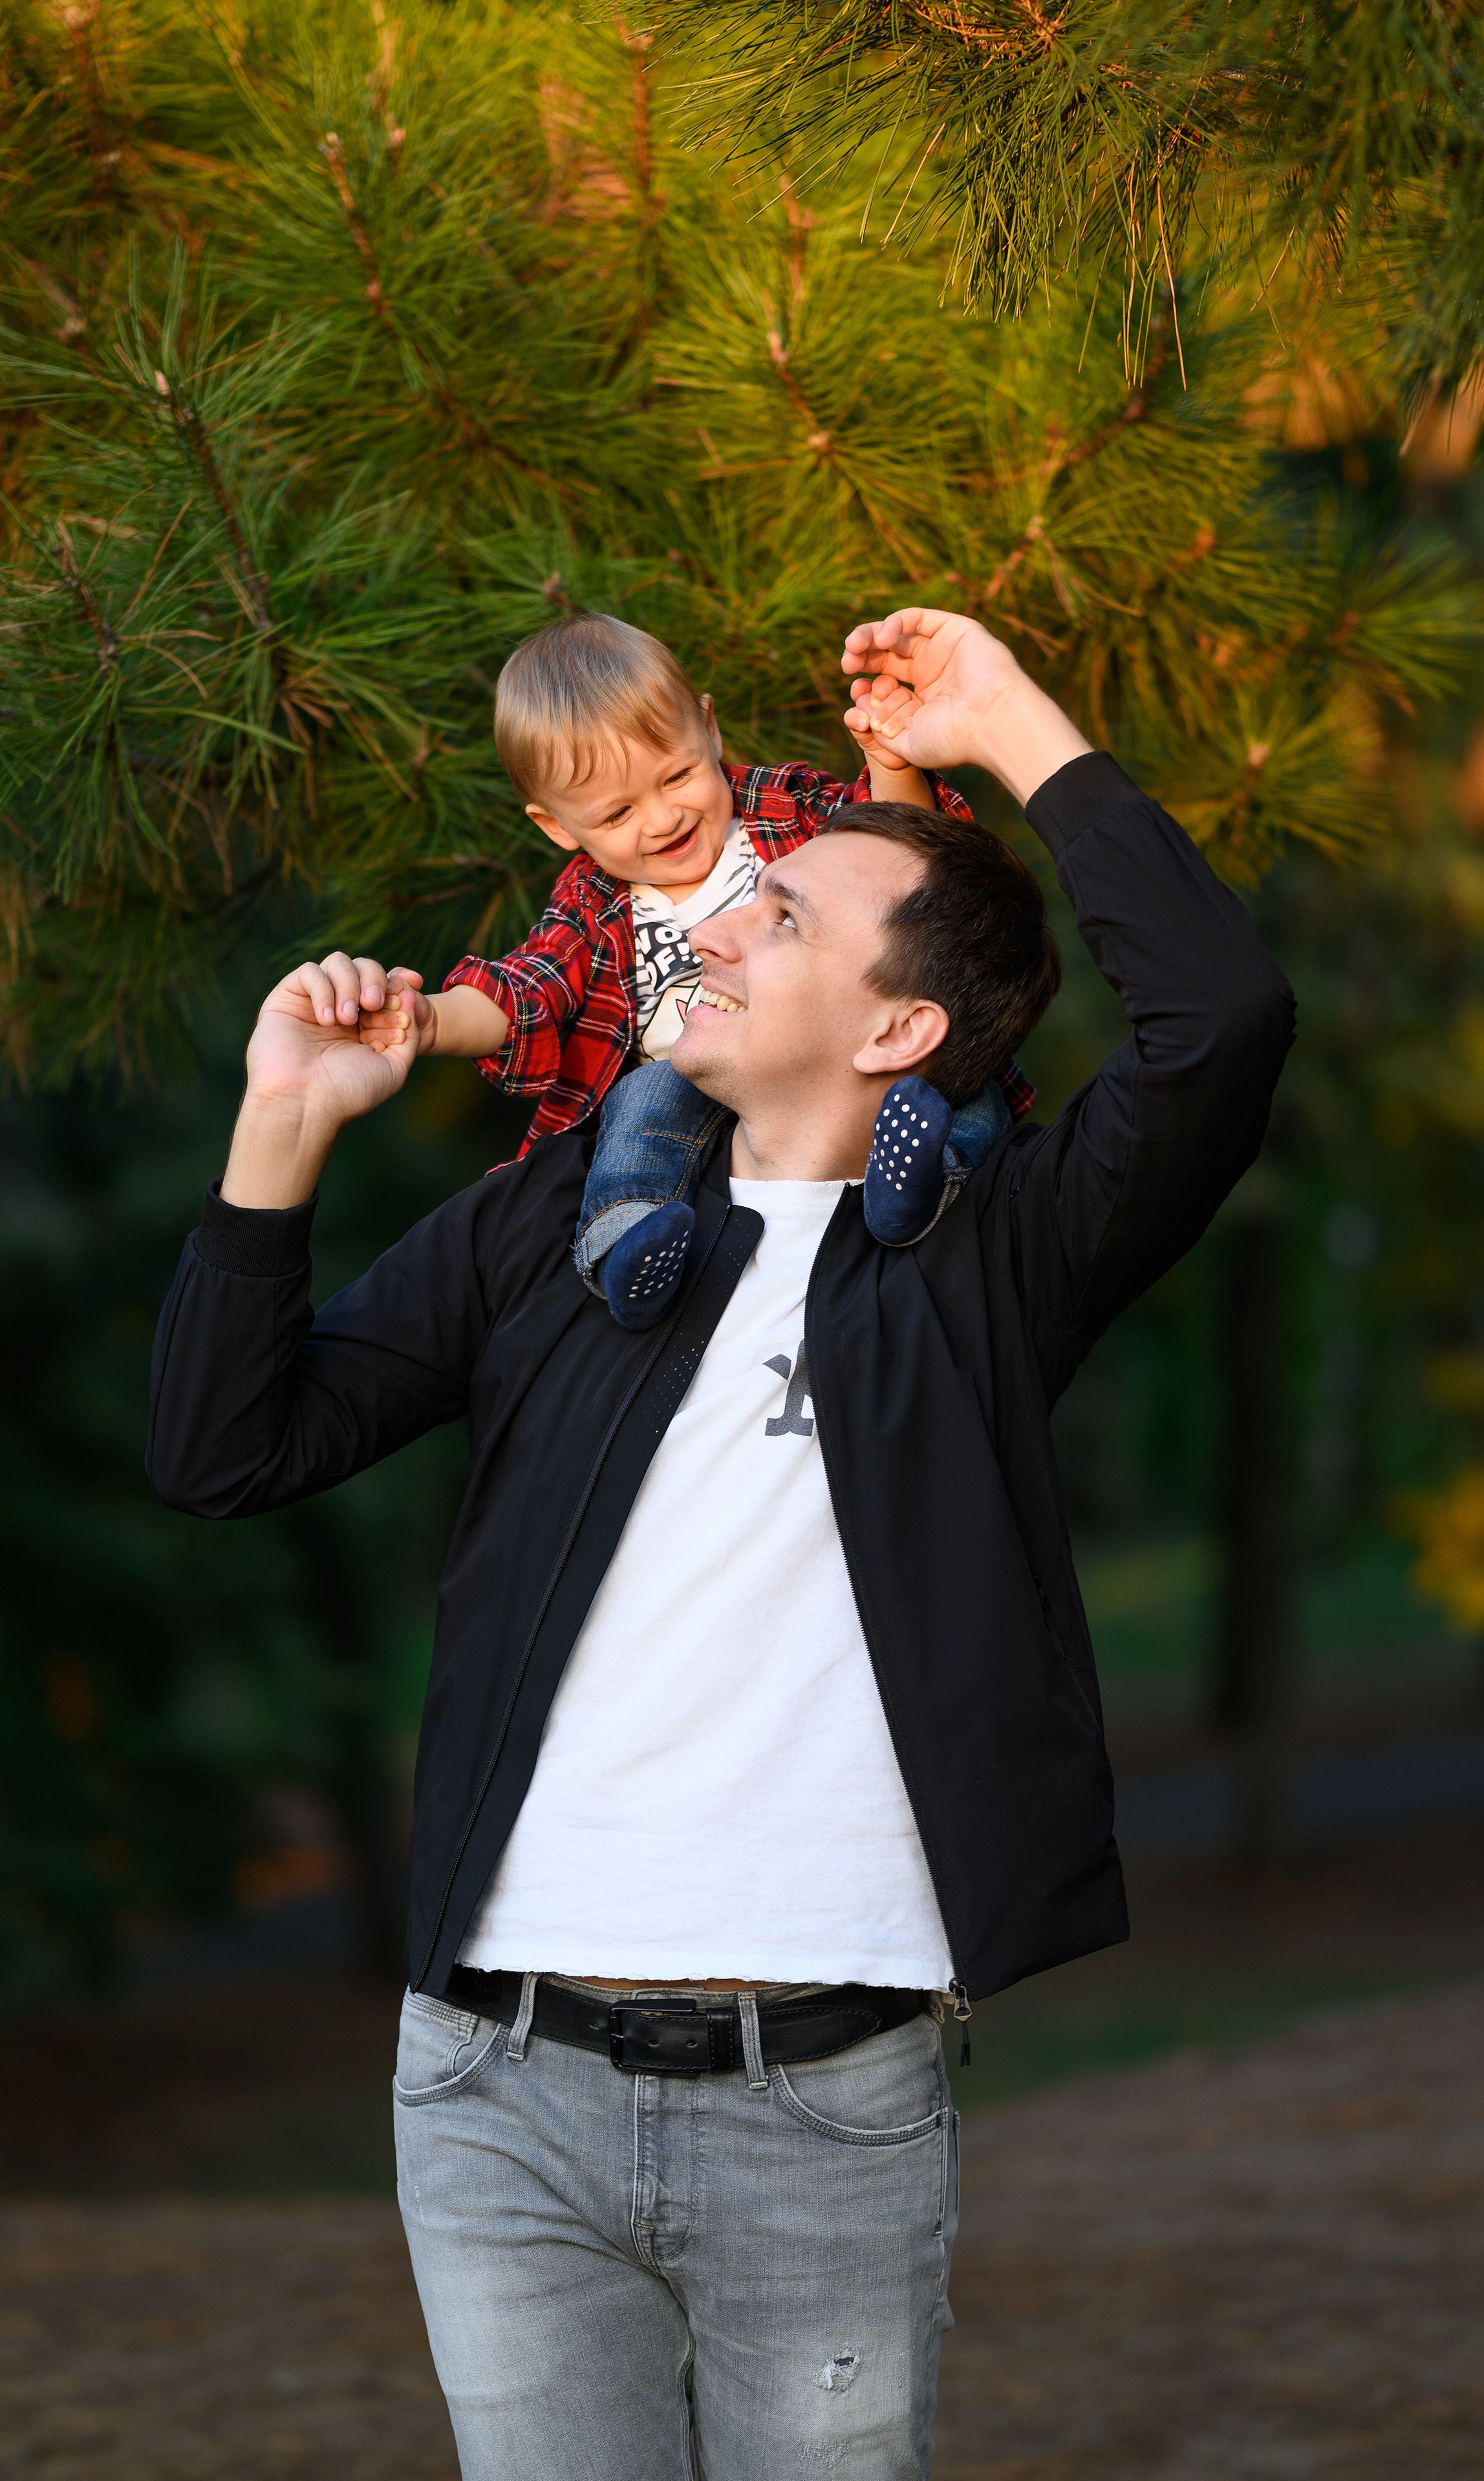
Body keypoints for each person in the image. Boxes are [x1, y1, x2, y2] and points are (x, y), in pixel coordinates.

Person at [147, 607, 1293, 2481]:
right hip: (495, 2084)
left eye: (781, 919)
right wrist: (281, 1130)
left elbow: (1222, 1017)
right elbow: (221, 1447)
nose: (717, 921)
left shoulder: (994, 1265)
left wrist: (1005, 723)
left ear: (900, 1027)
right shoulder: (546, 1234)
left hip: (825, 2100)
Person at [374, 609, 1029, 1328]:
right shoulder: (593, 904)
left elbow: (902, 863)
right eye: (618, 811)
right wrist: (432, 1018)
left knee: (950, 1079)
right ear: (558, 826)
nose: (661, 818)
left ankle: (926, 1175)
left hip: (835, 1054)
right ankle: (627, 1238)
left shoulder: (784, 811)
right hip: (699, 1089)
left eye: (679, 774)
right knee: (639, 1106)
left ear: (709, 729)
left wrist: (890, 765)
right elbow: (527, 993)